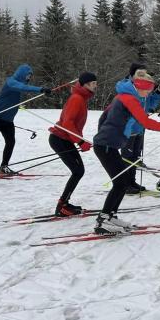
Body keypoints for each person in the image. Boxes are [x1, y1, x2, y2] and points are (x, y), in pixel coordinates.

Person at [93, 72, 160, 234]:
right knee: (121, 183)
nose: (149, 92)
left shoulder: (123, 96)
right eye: (148, 88)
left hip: (108, 144)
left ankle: (110, 216)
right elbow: (146, 122)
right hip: (106, 145)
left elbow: (104, 117)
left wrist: (102, 135)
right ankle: (103, 220)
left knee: (122, 181)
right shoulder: (129, 99)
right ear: (140, 86)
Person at [48, 72, 97, 216]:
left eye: (95, 83)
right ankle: (62, 206)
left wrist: (80, 140)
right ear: (85, 85)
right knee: (78, 171)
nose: (96, 86)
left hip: (66, 139)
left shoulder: (81, 98)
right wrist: (80, 141)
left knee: (78, 171)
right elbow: (67, 123)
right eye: (93, 83)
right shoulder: (77, 99)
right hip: (60, 139)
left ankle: (64, 204)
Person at [117, 67, 160, 193]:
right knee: (127, 157)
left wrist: (157, 95)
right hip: (129, 130)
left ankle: (132, 181)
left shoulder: (144, 87)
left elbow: (149, 105)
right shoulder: (130, 88)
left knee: (136, 157)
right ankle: (124, 184)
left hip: (140, 128)